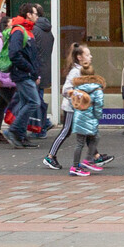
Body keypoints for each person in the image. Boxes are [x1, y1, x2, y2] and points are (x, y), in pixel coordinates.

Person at [43, 44, 93, 172]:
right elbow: (66, 90)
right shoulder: (75, 72)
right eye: (87, 55)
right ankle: (50, 156)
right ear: (79, 57)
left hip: (77, 108)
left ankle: (94, 156)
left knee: (84, 131)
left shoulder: (82, 70)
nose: (90, 56)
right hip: (71, 108)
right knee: (66, 130)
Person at [60, 58, 110, 176]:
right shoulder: (97, 89)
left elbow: (74, 102)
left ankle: (76, 165)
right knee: (95, 137)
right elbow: (98, 105)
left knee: (79, 143)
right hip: (90, 118)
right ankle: (87, 161)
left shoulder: (77, 88)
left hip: (78, 118)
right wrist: (98, 116)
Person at [2, 11, 43, 148]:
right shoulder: (19, 30)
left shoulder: (27, 30)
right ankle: (13, 130)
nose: (37, 17)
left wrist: (35, 73)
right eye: (35, 14)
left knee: (25, 102)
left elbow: (31, 55)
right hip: (22, 74)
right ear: (28, 14)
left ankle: (21, 136)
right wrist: (30, 69)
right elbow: (14, 54)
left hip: (27, 74)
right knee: (34, 102)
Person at [26, 4, 55, 136]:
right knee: (38, 97)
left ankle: (42, 127)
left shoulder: (34, 31)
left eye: (32, 13)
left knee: (35, 100)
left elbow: (32, 52)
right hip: (45, 69)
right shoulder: (48, 31)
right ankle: (44, 124)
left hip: (36, 70)